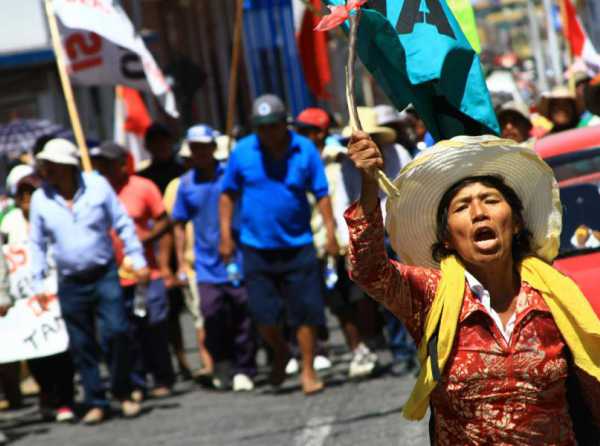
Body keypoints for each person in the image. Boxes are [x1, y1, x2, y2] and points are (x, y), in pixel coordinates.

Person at [345, 132, 600, 444]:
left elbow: (593, 384)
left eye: (491, 201)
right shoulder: (431, 295)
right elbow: (368, 269)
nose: (479, 212)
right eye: (462, 207)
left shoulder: (554, 293)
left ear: (516, 223)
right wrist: (369, 186)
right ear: (447, 238)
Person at [220, 94, 338, 395]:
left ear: (284, 124)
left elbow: (321, 193)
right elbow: (227, 194)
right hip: (256, 246)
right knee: (262, 313)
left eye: (272, 125)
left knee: (305, 311)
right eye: (261, 127)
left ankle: (308, 369)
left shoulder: (304, 149)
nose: (268, 132)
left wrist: (331, 231)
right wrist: (225, 236)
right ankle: (281, 350)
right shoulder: (243, 152)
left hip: (298, 244)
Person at [29, 139, 148, 424]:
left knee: (117, 331)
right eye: (46, 165)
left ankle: (122, 390)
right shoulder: (40, 199)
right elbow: (36, 244)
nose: (47, 170)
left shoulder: (98, 186)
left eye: (52, 165)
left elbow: (121, 222)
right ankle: (95, 399)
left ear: (68, 166)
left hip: (103, 272)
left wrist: (137, 257)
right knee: (81, 343)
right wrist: (38, 284)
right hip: (70, 280)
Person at [295, 107, 379, 378]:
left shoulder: (338, 161)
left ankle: (369, 342)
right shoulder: (297, 163)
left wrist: (348, 237)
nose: (301, 136)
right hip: (315, 242)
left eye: (306, 131)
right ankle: (356, 347)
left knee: (358, 296)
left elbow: (351, 196)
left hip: (344, 240)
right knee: (337, 301)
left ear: (319, 133)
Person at [173, 125, 256, 391]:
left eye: (204, 146)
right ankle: (222, 361)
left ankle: (245, 367)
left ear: (213, 148)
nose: (200, 152)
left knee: (243, 312)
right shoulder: (185, 184)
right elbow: (178, 224)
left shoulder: (230, 175)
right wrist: (181, 262)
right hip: (206, 264)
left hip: (237, 258)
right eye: (194, 147)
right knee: (211, 313)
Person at [90, 142, 176, 400]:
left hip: (145, 272)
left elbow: (164, 219)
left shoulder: (143, 187)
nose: (102, 168)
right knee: (124, 332)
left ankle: (162, 376)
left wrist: (146, 240)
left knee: (154, 327)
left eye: (107, 163)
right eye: (99, 164)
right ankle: (136, 382)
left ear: (121, 163)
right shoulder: (95, 191)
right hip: (112, 275)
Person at [342, 107, 417, 375]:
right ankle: (399, 349)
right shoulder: (348, 165)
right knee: (387, 296)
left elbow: (410, 190)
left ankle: (421, 348)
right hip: (374, 234)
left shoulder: (398, 153)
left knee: (415, 291)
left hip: (402, 230)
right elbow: (350, 199)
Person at [1, 165, 75, 423]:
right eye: (21, 193)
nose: (27, 199)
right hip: (25, 299)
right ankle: (47, 395)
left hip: (55, 292)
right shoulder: (7, 222)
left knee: (61, 348)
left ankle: (66, 397)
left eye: (31, 192)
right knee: (35, 350)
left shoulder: (51, 213)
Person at [138, 123, 191, 379]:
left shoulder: (183, 172)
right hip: (156, 247)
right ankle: (177, 359)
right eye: (154, 142)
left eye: (164, 141)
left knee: (193, 305)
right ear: (147, 146)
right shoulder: (144, 178)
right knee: (165, 311)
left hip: (186, 243)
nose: (160, 146)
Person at [163, 141, 214, 379]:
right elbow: (176, 227)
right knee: (200, 315)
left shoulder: (221, 176)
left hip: (222, 255)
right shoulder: (178, 186)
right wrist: (180, 263)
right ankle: (209, 364)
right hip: (195, 260)